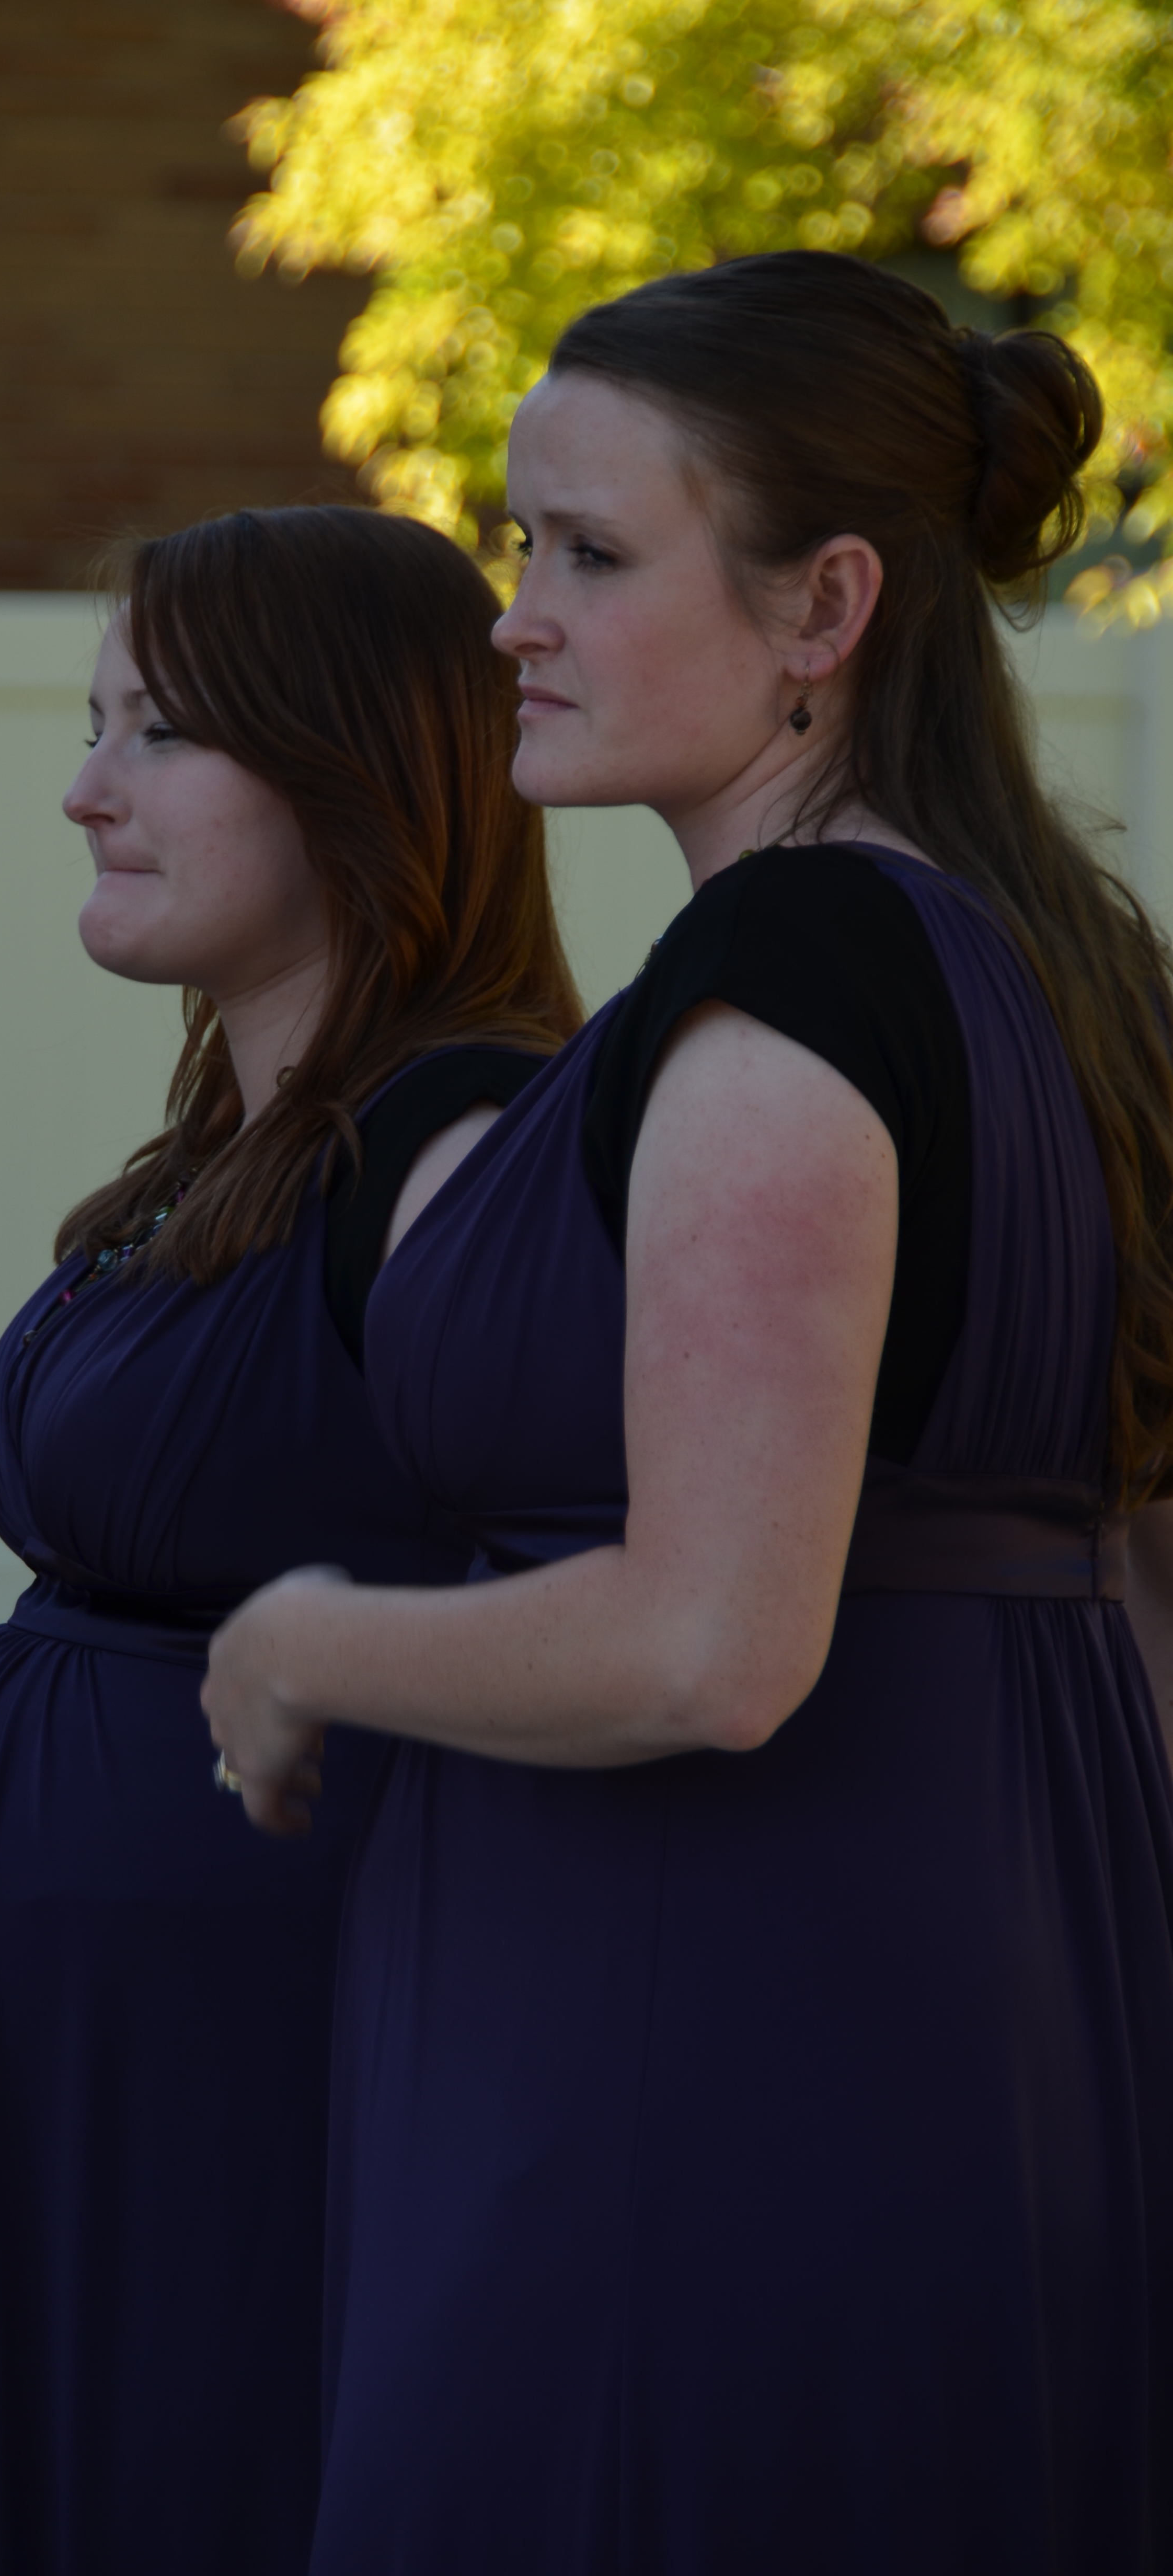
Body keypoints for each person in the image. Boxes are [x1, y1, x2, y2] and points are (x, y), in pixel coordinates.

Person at [204, 253, 1173, 2571]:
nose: (515, 616)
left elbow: (712, 1643)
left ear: (825, 604)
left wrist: (304, 1641)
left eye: (591, 553)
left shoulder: (791, 977)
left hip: (712, 2023)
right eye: (520, 540)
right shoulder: (1073, 969)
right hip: (1002, 1965)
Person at [0, 504, 582, 2575]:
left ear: (357, 773)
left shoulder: (467, 1151)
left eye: (162, 732)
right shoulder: (231, 1145)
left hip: (230, 2075)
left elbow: (618, 1583)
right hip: (29, 2068)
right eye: (94, 723)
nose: (85, 788)